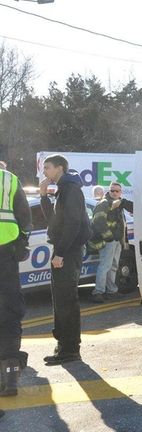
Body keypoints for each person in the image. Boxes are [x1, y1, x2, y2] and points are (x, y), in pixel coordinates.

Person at [39, 154, 91, 366]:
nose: (45, 171)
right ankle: (63, 346)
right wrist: (43, 196)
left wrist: (60, 253)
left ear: (59, 168)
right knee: (60, 300)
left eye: (48, 167)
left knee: (67, 300)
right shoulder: (63, 189)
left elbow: (73, 224)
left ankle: (70, 350)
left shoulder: (71, 189)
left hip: (68, 252)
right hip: (63, 250)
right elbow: (53, 222)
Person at [0, 165, 31, 397]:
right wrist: (22, 243)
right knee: (10, 309)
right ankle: (11, 372)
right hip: (7, 249)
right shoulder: (9, 179)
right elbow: (25, 216)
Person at [88, 181, 133, 303]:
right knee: (105, 266)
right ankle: (98, 292)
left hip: (117, 240)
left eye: (117, 191)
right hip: (108, 241)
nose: (114, 193)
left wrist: (120, 240)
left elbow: (131, 209)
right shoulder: (104, 203)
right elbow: (98, 222)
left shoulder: (118, 203)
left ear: (120, 192)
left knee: (113, 266)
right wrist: (109, 237)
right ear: (109, 191)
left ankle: (111, 291)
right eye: (112, 190)